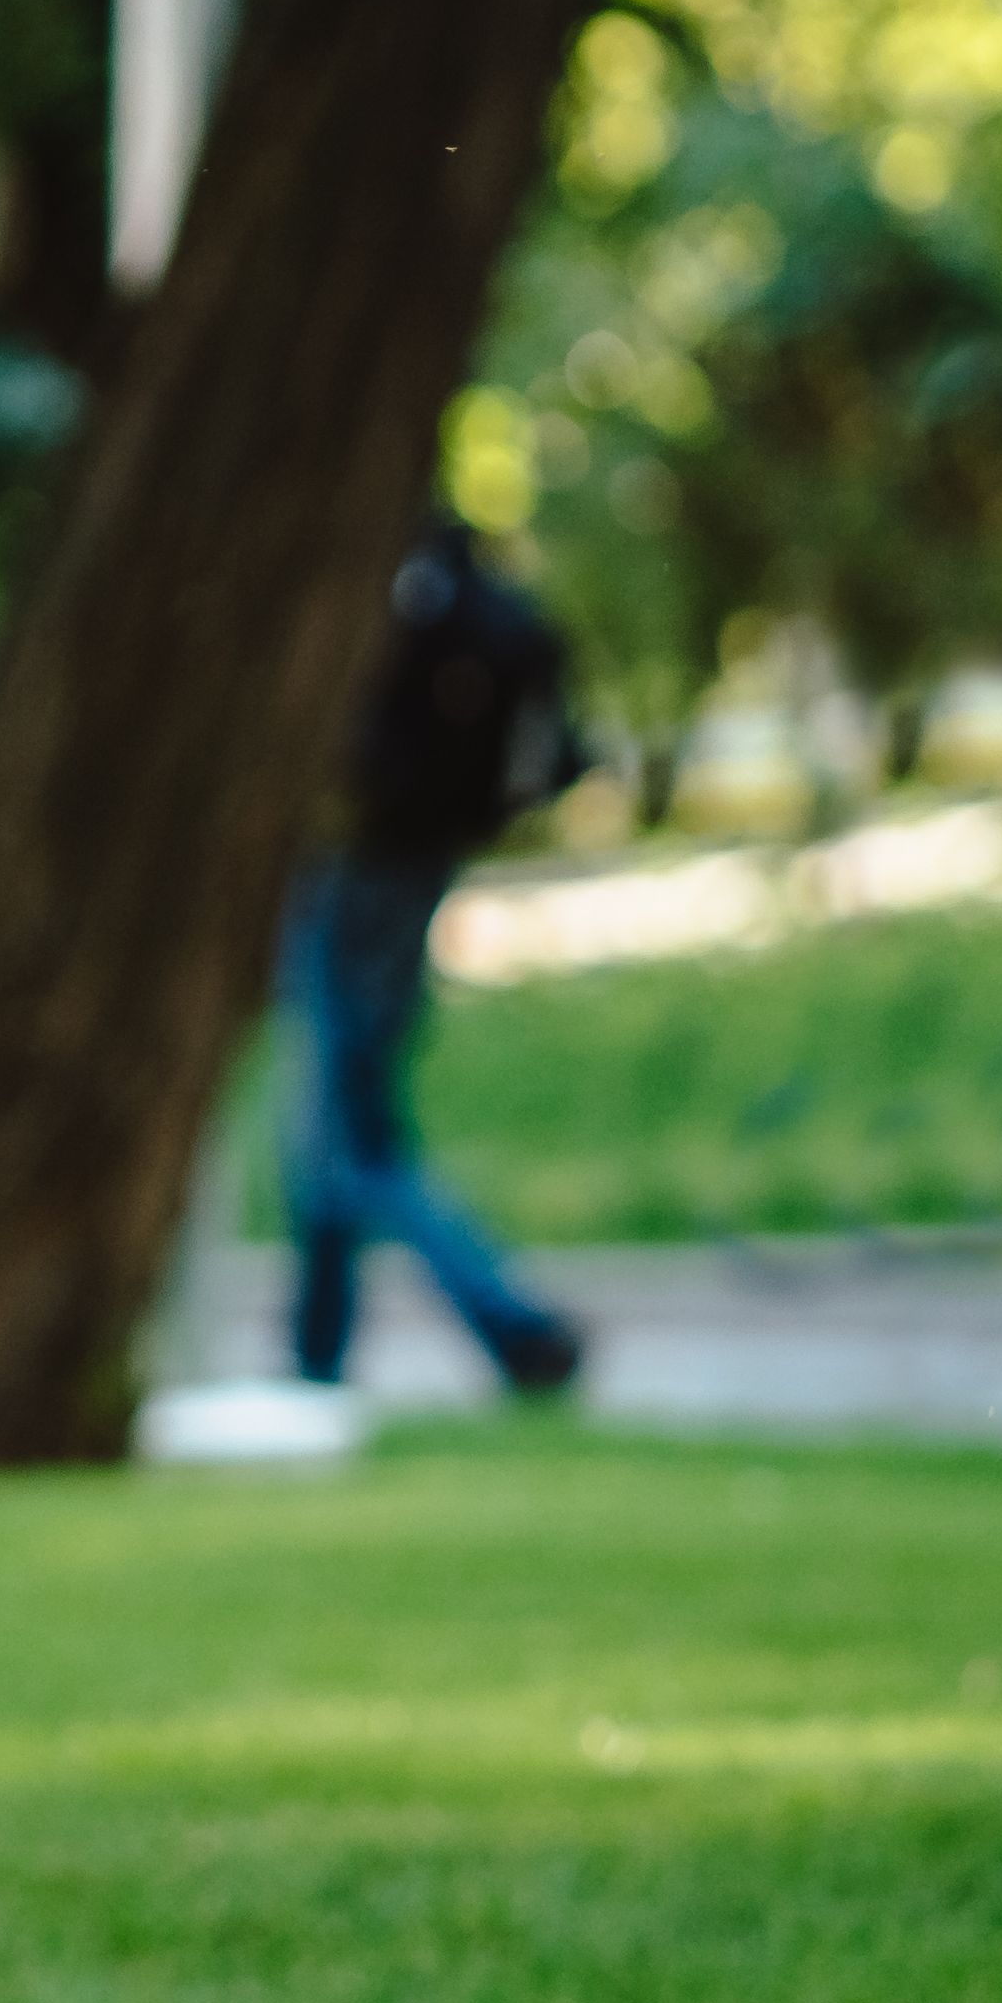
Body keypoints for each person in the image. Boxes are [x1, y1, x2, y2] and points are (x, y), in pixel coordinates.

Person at [283, 512, 589, 1397]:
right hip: (415, 867)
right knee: (334, 1123)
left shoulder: (390, 579)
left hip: (360, 870)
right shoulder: (457, 584)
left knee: (350, 1135)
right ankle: (316, 1362)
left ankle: (512, 1325)